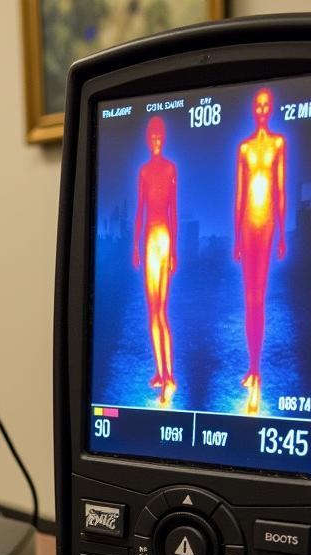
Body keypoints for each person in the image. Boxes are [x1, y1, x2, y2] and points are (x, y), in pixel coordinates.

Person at [234, 87, 287, 414]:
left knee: (258, 298)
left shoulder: (278, 144)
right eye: (259, 105)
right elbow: (239, 195)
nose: (263, 109)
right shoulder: (244, 148)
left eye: (267, 105)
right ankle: (251, 367)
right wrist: (236, 238)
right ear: (254, 110)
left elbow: (279, 190)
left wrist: (281, 233)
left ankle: (257, 372)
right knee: (248, 299)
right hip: (247, 229)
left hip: (266, 225)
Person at [133, 115, 178, 406]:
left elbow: (173, 212)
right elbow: (140, 209)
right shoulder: (145, 172)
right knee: (153, 311)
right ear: (149, 140)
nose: (156, 141)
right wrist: (136, 247)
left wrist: (173, 250)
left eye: (160, 136)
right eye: (153, 136)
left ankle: (169, 376)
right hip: (149, 241)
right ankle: (160, 373)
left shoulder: (170, 169)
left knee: (161, 312)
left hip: (163, 240)